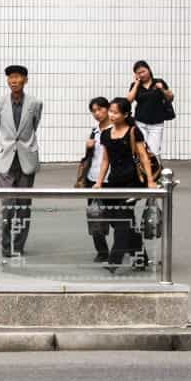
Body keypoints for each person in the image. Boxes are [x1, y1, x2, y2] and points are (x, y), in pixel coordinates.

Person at [93, 97, 158, 270]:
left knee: (123, 220)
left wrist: (150, 180)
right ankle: (141, 258)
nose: (112, 115)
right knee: (121, 221)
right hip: (114, 181)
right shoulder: (106, 134)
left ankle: (114, 261)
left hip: (132, 182)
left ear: (126, 114)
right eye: (111, 112)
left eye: (116, 112)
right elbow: (106, 159)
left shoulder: (133, 131)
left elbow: (143, 156)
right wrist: (99, 181)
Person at [0, 64, 42, 257]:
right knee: (7, 205)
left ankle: (18, 246)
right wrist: (6, 145)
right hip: (6, 158)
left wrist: (24, 144)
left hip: (26, 157)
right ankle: (4, 245)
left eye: (17, 77)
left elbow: (34, 125)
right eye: (10, 77)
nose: (13, 80)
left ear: (25, 80)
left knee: (24, 206)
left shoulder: (35, 103)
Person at [82, 97, 112, 261]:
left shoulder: (117, 129)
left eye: (100, 109)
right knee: (95, 215)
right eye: (94, 111)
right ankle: (102, 251)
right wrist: (87, 147)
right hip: (92, 178)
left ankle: (134, 250)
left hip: (111, 179)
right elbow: (90, 156)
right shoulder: (94, 130)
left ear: (108, 109)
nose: (97, 113)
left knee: (119, 218)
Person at [127, 61, 174, 157]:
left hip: (156, 123)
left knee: (154, 151)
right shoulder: (135, 85)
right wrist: (136, 84)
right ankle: (142, 171)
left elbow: (170, 98)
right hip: (140, 122)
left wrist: (162, 89)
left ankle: (155, 171)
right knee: (141, 150)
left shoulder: (159, 82)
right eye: (138, 73)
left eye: (143, 71)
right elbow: (128, 101)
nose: (142, 74)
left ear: (149, 70)